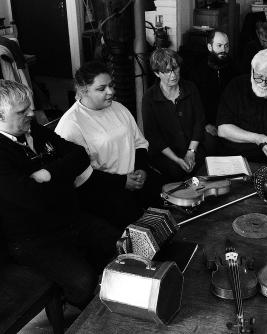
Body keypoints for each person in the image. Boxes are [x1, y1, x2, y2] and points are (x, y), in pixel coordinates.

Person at [0, 80, 120, 309]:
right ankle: (79, 311)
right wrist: (64, 178)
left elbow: (80, 156)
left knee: (120, 244)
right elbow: (34, 201)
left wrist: (48, 173)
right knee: (84, 283)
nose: (32, 113)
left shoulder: (35, 130)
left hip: (70, 218)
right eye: (23, 111)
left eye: (29, 107)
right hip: (34, 239)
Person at [55, 61, 162, 231]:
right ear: (83, 90)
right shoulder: (71, 125)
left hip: (133, 179)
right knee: (136, 228)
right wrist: (122, 182)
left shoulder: (118, 108)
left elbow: (138, 142)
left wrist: (141, 168)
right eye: (101, 88)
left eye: (111, 85)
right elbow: (80, 175)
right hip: (102, 191)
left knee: (161, 209)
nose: (110, 92)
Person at [142, 48, 206, 182]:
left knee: (204, 169)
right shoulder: (149, 97)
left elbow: (199, 122)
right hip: (166, 153)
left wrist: (191, 152)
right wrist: (177, 160)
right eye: (166, 71)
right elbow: (153, 136)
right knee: (175, 172)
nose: (173, 75)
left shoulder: (191, 88)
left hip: (191, 147)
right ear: (157, 73)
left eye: (175, 68)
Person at [188, 30, 237, 155]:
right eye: (219, 46)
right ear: (210, 47)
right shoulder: (198, 70)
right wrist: (205, 125)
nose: (224, 50)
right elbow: (194, 104)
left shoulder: (235, 68)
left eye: (226, 46)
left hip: (230, 121)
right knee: (212, 145)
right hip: (208, 123)